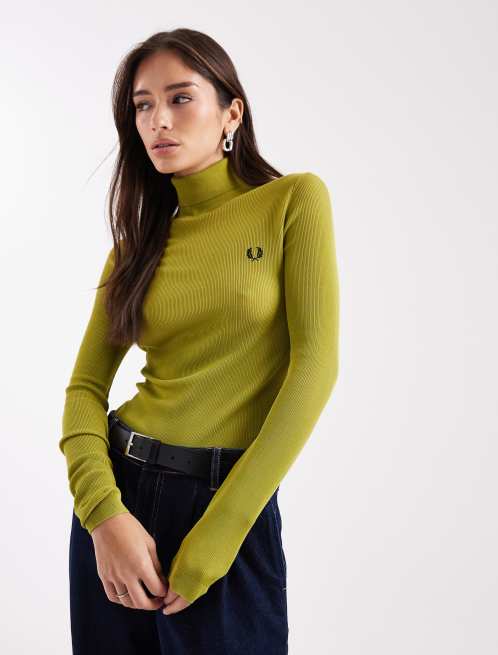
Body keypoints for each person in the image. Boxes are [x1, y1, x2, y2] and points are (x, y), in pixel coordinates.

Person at [59, 27, 339, 655]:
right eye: (143, 105)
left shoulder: (293, 201)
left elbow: (315, 367)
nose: (158, 120)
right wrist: (103, 515)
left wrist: (224, 530)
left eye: (180, 98)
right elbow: (83, 391)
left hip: (225, 503)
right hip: (119, 504)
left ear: (231, 113)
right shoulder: (134, 250)